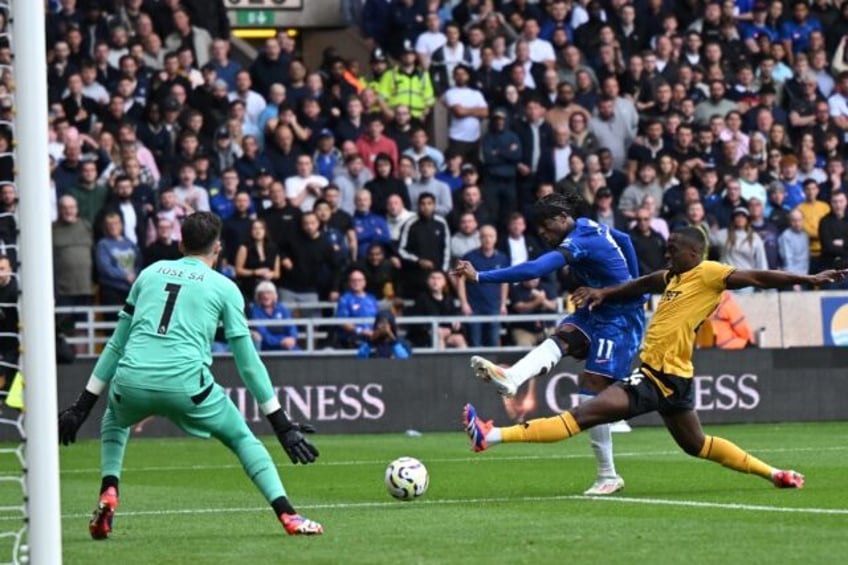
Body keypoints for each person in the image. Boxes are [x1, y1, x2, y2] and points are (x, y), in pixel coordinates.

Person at [463, 227, 848, 491]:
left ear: (693, 253)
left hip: (657, 378)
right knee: (698, 445)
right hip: (673, 380)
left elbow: (760, 277)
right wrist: (605, 293)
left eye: (672, 249)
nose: (666, 254)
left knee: (581, 415)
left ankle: (490, 436)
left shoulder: (710, 273)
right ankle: (775, 473)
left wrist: (809, 279)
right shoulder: (672, 278)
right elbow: (641, 283)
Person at [57, 212, 323, 540]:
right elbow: (248, 363)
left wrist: (81, 407)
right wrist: (282, 425)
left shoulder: (149, 274)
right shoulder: (225, 287)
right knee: (242, 438)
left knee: (114, 420)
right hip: (187, 386)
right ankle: (289, 515)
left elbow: (115, 345)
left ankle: (109, 491)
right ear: (219, 247)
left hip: (130, 381)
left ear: (181, 243)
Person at [452, 193, 644, 496]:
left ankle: (608, 475)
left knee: (591, 391)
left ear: (562, 219)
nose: (544, 234)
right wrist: (635, 282)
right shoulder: (586, 224)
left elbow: (534, 270)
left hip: (621, 320)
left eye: (546, 227)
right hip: (597, 308)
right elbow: (624, 239)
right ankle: (512, 377)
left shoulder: (578, 240)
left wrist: (480, 276)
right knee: (564, 336)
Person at [249, 281, 299, 352]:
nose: (265, 296)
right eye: (262, 293)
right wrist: (280, 341)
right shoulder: (255, 311)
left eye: (269, 293)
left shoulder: (281, 308)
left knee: (297, 354)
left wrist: (292, 338)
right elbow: (263, 334)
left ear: (274, 295)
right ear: (258, 296)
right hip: (267, 346)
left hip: (288, 343)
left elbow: (291, 327)